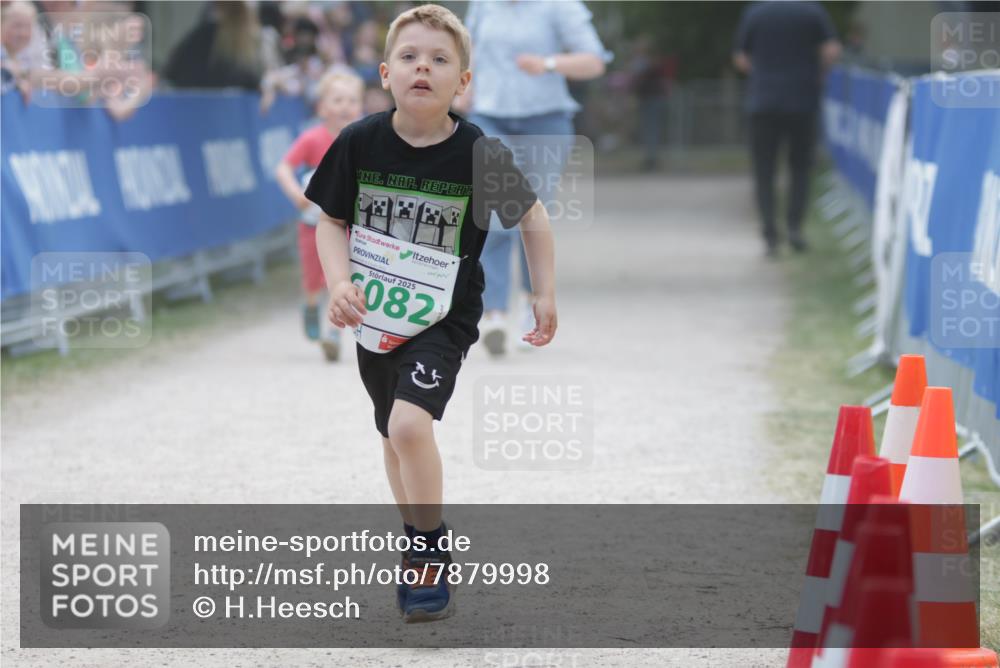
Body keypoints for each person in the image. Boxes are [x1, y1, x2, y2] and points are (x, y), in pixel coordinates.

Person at [305, 4, 556, 622]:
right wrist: (339, 283)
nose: (425, 67)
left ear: (463, 82)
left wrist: (542, 292)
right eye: (411, 57)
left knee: (411, 428)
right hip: (373, 314)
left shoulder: (476, 150)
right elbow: (330, 220)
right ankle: (422, 533)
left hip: (443, 316)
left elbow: (532, 216)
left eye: (440, 60)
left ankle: (425, 551)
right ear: (386, 72)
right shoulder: (358, 141)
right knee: (393, 433)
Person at [456, 0, 604, 357]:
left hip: (546, 119)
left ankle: (530, 302)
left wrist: (548, 64)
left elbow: (594, 61)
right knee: (494, 212)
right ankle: (493, 311)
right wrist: (463, 89)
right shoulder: (483, 5)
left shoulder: (560, 7)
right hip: (491, 115)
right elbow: (469, 48)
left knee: (532, 212)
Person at [733, 1, 841, 257]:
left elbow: (740, 57)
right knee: (800, 167)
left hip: (763, 101)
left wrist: (763, 74)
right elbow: (832, 50)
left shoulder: (756, 13)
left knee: (764, 170)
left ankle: (770, 234)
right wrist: (818, 70)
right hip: (802, 99)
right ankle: (795, 228)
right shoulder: (812, 12)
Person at [275, 69, 364, 362]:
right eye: (337, 100)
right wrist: (297, 197)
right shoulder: (312, 139)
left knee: (339, 279)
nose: (345, 106)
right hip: (313, 225)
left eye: (352, 100)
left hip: (350, 227)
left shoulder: (363, 140)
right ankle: (310, 304)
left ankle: (333, 333)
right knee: (314, 279)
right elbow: (283, 168)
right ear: (322, 107)